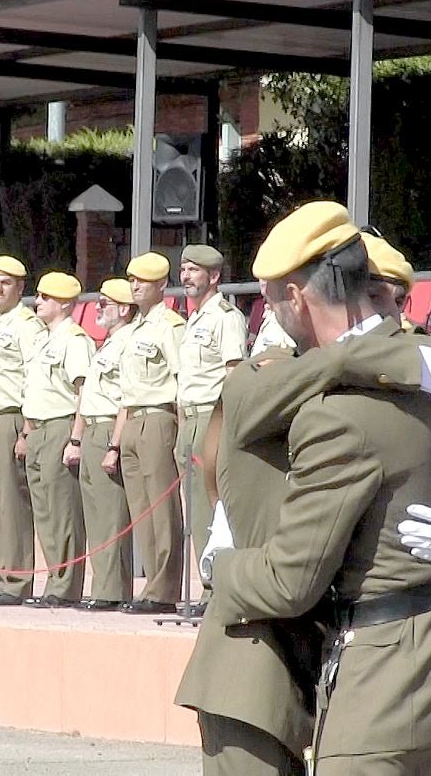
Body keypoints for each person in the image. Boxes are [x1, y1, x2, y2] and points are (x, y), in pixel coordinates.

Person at [202, 202, 431, 773]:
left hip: (374, 674)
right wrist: (361, 354)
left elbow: (291, 579)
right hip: (430, 669)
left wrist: (215, 568)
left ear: (296, 297)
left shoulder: (342, 412)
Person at [0, 255, 46, 606]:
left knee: (10, 505)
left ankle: (16, 580)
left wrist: (27, 428)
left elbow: (35, 376)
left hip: (8, 417)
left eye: (5, 283)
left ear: (20, 287)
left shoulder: (25, 324)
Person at [177, 244, 248, 615]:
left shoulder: (225, 317)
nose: (186, 276)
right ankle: (202, 586)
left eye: (194, 270)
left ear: (214, 276)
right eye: (184, 269)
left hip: (211, 416)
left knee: (211, 506)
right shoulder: (193, 318)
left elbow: (233, 372)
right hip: (188, 417)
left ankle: (213, 589)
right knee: (194, 510)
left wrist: (225, 423)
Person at [17, 272, 95, 608]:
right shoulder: (42, 340)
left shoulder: (74, 340)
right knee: (45, 511)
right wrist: (25, 432)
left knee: (62, 511)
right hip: (37, 429)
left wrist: (75, 439)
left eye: (45, 297)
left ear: (64, 303)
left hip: (60, 426)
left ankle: (65, 586)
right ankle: (54, 580)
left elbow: (83, 393)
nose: (38, 302)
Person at [118, 251, 186, 614]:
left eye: (142, 280)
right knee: (141, 511)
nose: (135, 286)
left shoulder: (170, 326)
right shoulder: (132, 330)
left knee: (162, 508)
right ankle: (150, 587)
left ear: (162, 285)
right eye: (131, 280)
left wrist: (183, 427)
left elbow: (181, 379)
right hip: (132, 420)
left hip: (159, 418)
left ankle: (165, 588)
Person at [66, 279, 137, 611]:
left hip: (110, 428)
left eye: (105, 304)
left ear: (124, 309)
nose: (97, 309)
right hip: (92, 428)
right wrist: (76, 438)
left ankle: (112, 589)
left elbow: (126, 399)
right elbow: (87, 399)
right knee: (95, 515)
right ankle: (102, 586)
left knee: (110, 516)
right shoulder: (106, 344)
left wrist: (115, 444)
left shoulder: (128, 343)